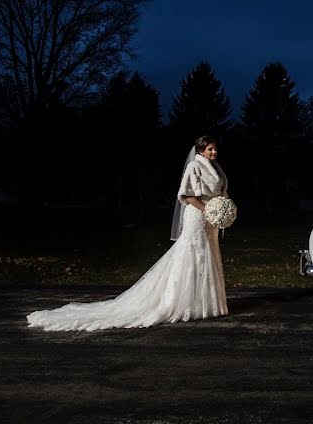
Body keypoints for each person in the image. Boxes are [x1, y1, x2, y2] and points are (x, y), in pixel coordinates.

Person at [27, 136, 229, 331]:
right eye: (210, 148)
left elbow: (220, 192)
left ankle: (206, 302)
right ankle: (184, 301)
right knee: (193, 254)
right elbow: (187, 195)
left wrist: (221, 208)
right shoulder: (194, 166)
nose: (214, 152)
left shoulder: (216, 167)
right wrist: (208, 210)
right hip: (198, 215)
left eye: (215, 148)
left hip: (210, 219)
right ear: (201, 150)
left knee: (209, 254)